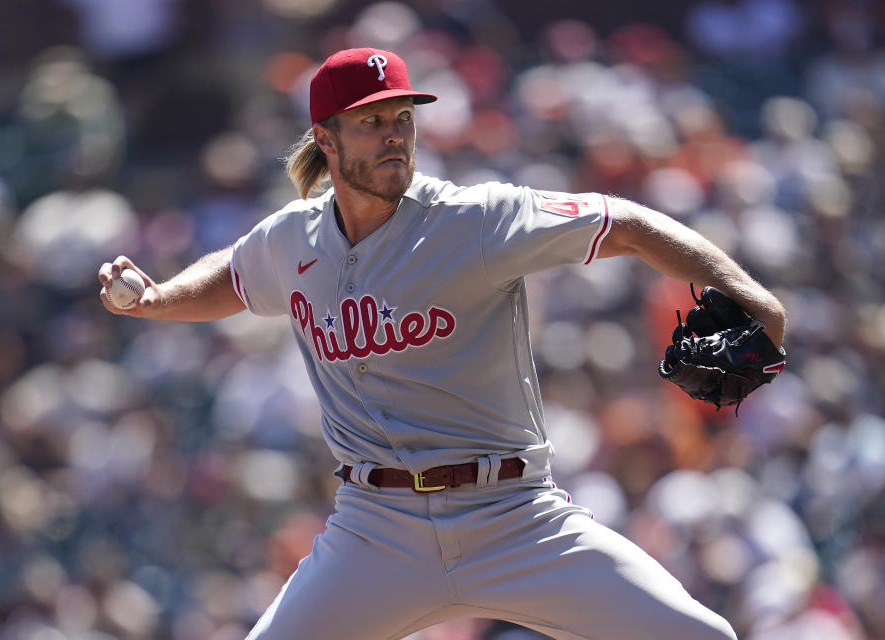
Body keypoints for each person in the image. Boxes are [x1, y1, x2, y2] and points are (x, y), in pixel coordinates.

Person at [99, 47, 785, 639]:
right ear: (326, 139)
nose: (394, 135)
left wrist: (750, 297)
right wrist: (159, 300)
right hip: (375, 529)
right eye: (371, 122)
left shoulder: (475, 220)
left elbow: (625, 222)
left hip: (513, 515)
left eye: (402, 119)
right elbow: (236, 274)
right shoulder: (292, 240)